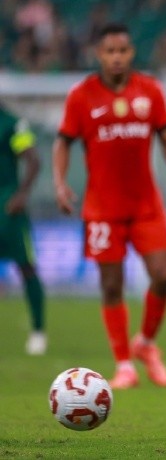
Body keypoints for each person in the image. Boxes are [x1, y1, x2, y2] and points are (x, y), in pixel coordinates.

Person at [52, 23, 166, 390]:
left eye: (122, 50)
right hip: (102, 209)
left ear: (131, 52)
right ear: (99, 54)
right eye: (110, 51)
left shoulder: (150, 91)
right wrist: (59, 183)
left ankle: (146, 343)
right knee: (111, 285)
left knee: (163, 276)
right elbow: (62, 142)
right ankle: (124, 364)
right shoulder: (82, 96)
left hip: (146, 205)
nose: (117, 57)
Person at [0, 103, 47, 355]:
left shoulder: (12, 124)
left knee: (26, 266)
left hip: (8, 208)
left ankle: (38, 331)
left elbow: (33, 159)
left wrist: (21, 194)